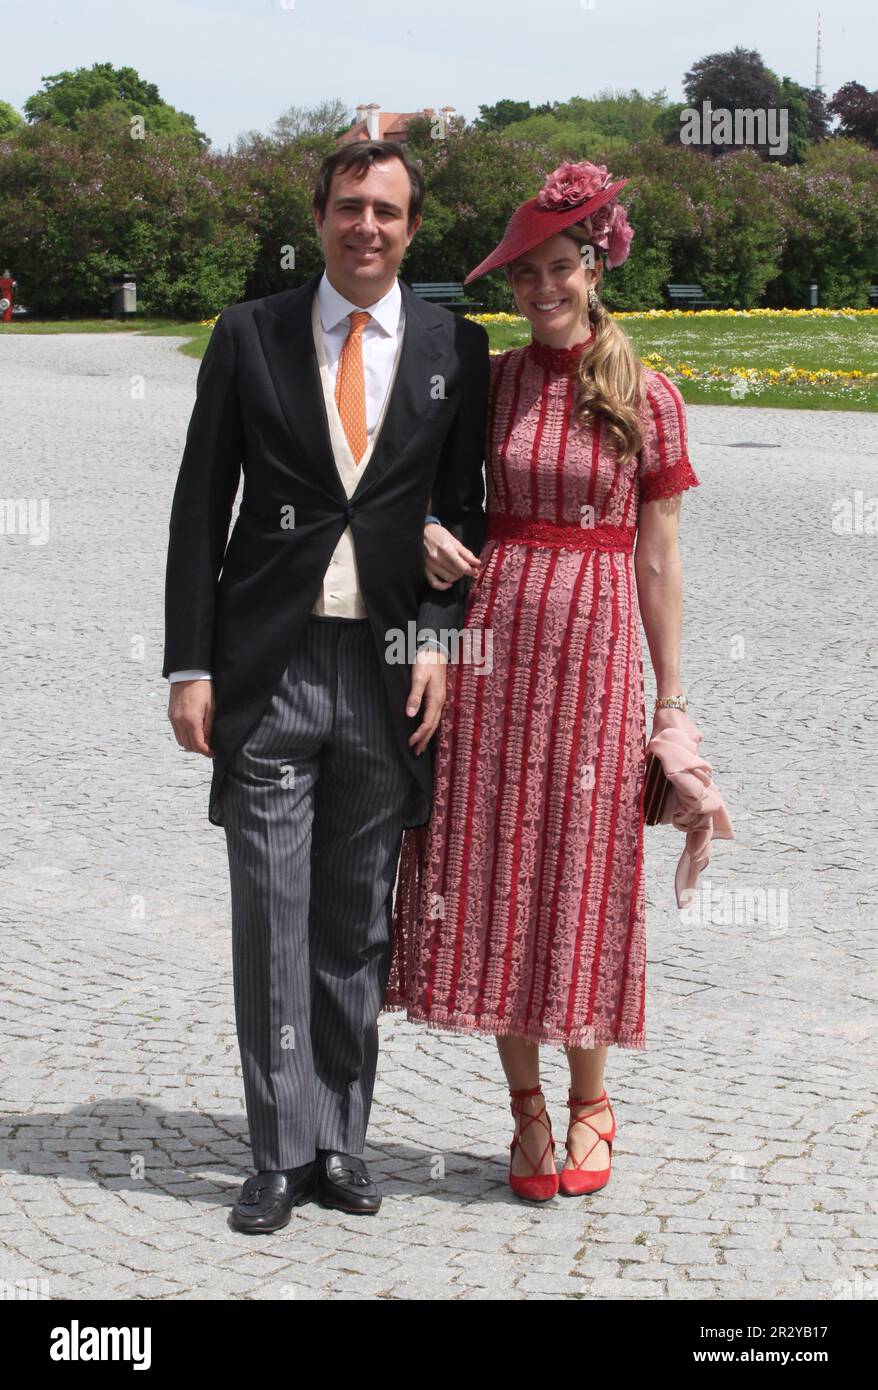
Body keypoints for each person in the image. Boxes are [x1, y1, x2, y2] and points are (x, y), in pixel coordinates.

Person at [163, 139, 487, 1232]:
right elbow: (200, 504)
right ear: (319, 216)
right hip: (272, 666)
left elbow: (462, 510)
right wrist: (191, 662)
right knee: (271, 916)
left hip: (390, 674)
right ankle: (276, 1147)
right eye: (350, 207)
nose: (367, 227)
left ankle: (341, 1141)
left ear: (410, 227)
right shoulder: (249, 334)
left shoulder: (454, 345)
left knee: (354, 924)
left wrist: (441, 637)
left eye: (387, 212)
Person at [383, 159, 701, 1201]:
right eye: (523, 278)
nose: (540, 291)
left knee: (581, 873)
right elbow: (430, 491)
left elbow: (656, 558)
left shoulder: (646, 394)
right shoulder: (494, 381)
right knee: (490, 869)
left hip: (597, 655)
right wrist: (420, 528)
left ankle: (590, 1102)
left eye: (558, 269)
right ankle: (523, 1113)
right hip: (493, 649)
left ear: (594, 265)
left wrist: (669, 700)